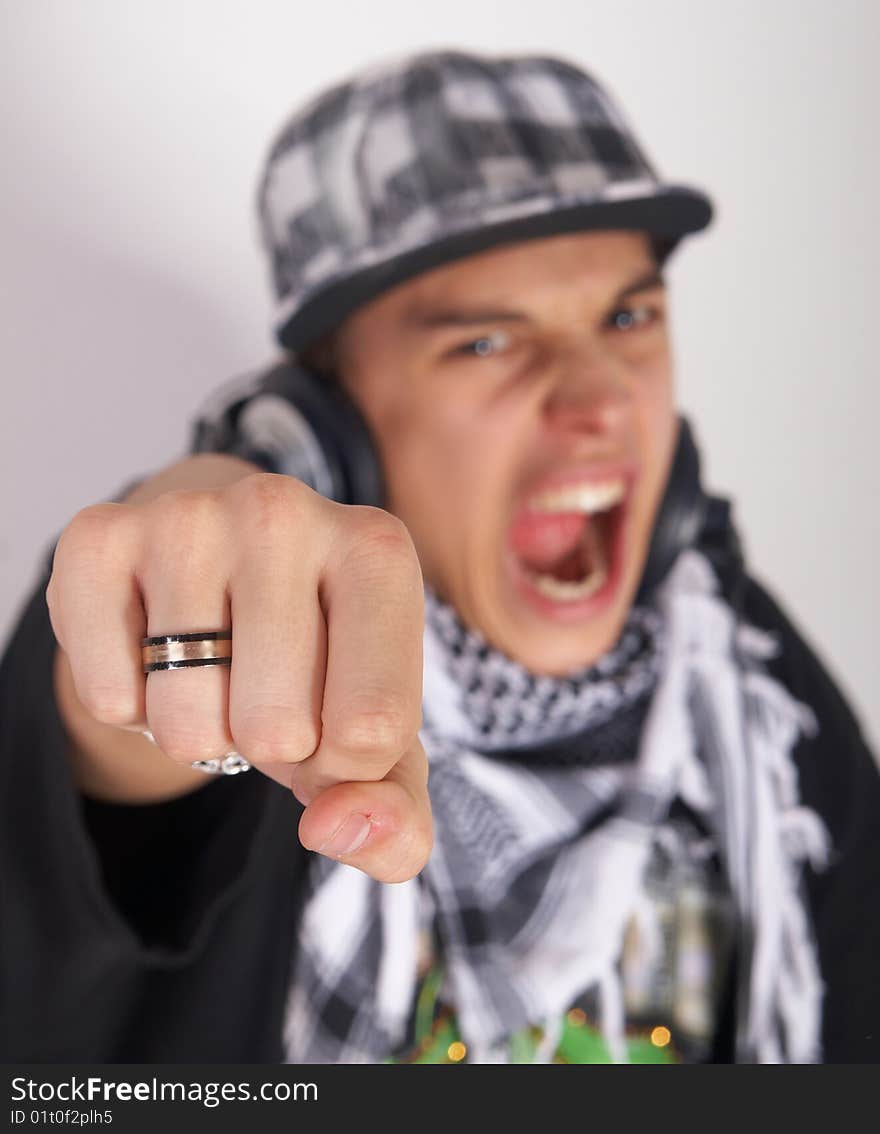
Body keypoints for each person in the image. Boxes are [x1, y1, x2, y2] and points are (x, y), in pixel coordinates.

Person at [1, 49, 877, 1065]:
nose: (599, 406)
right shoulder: (264, 703)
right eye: (486, 344)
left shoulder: (762, 696)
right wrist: (173, 580)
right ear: (331, 428)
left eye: (627, 317)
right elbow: (84, 798)